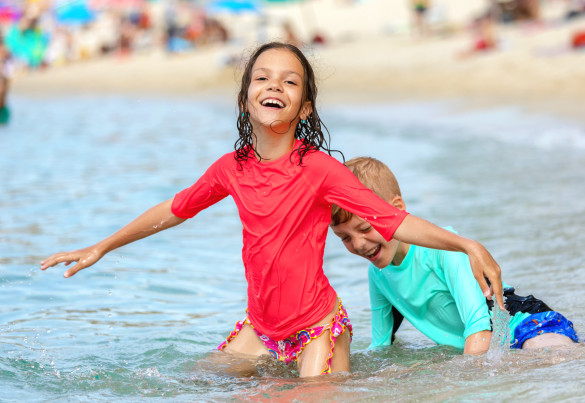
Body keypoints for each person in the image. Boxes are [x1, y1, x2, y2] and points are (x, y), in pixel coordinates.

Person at [40, 42, 504, 377]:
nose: (274, 85)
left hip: (318, 327)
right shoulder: (230, 169)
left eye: (290, 80)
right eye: (261, 77)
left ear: (304, 108)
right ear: (245, 100)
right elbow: (175, 209)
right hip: (260, 328)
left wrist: (466, 244)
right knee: (197, 381)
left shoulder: (319, 169)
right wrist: (102, 246)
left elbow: (393, 220)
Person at [331, 157, 579, 355]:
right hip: (493, 344)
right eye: (344, 238)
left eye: (365, 228)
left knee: (550, 355)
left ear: (396, 210)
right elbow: (381, 347)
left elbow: (479, 327)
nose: (359, 244)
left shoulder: (441, 249)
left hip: (524, 324)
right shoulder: (378, 275)